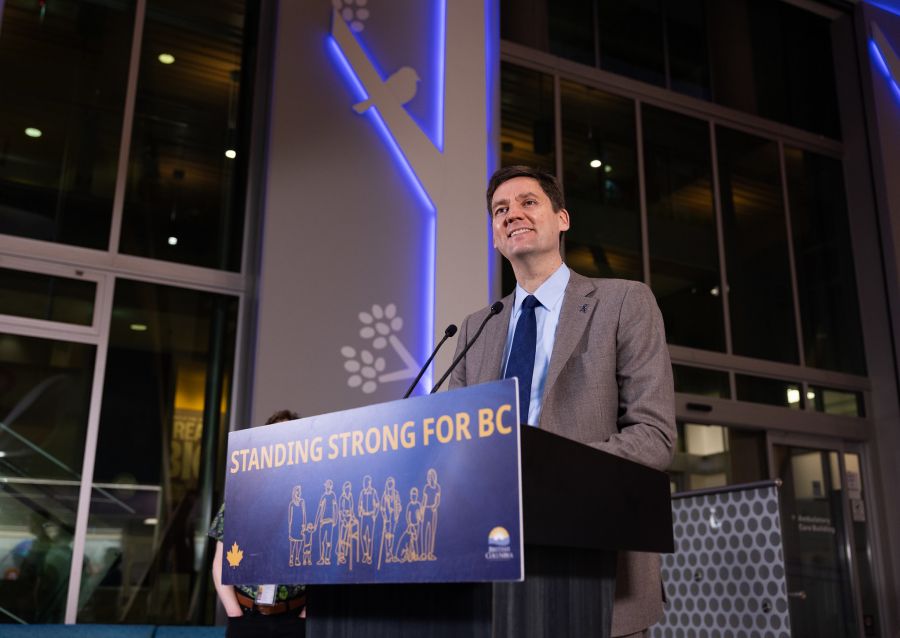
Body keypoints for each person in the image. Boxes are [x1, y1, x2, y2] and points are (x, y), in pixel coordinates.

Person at [449, 165, 676, 638]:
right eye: (500, 210)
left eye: (528, 202)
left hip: (596, 571)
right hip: (493, 571)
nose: (513, 214)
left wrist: (547, 469)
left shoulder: (624, 303)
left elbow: (653, 437)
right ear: (494, 236)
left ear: (562, 219)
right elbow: (458, 444)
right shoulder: (475, 329)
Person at [209, 409, 306, 638]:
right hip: (246, 618)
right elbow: (220, 563)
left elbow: (328, 564)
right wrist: (234, 614)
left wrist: (306, 615)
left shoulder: (311, 497)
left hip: (296, 620)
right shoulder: (240, 497)